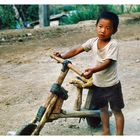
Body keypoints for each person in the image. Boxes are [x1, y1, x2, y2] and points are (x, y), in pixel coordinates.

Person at [54, 11, 125, 135]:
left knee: (116, 111)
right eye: (100, 26)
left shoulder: (113, 45)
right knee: (102, 109)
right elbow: (77, 49)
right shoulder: (92, 42)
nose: (103, 30)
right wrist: (63, 56)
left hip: (112, 85)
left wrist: (93, 70)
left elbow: (108, 62)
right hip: (98, 85)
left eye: (108, 28)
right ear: (96, 26)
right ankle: (106, 131)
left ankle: (120, 135)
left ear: (114, 31)